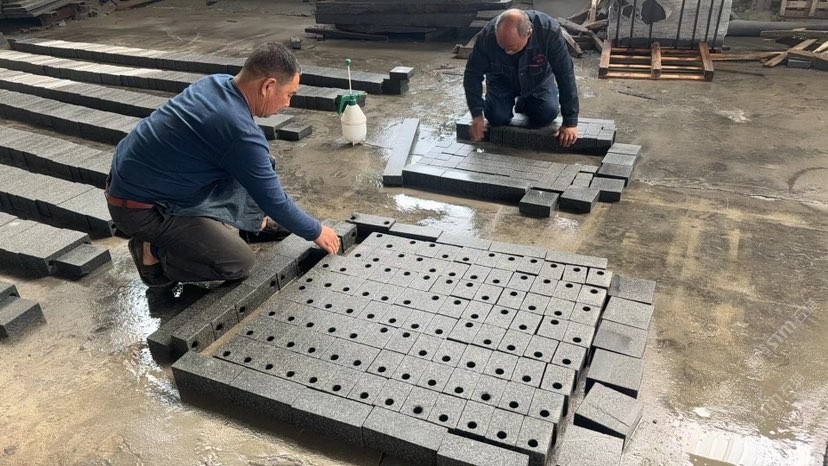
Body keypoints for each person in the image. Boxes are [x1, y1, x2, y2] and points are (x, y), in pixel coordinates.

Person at [105, 42, 340, 288]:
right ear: (268, 86)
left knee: (258, 163)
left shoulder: (217, 83)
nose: (288, 103)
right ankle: (152, 251)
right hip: (139, 209)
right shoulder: (237, 131)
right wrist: (316, 231)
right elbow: (274, 200)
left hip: (134, 178)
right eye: (289, 94)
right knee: (238, 262)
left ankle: (255, 224)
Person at [463, 9, 580, 147]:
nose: (507, 52)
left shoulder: (549, 32)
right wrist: (476, 114)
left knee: (546, 114)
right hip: (501, 81)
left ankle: (524, 103)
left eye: (512, 48)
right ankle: (511, 103)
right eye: (502, 47)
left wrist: (570, 122)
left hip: (538, 81)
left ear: (529, 33)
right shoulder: (487, 36)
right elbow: (472, 74)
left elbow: (565, 73)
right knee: (496, 117)